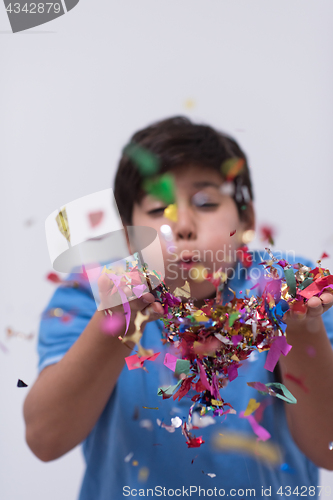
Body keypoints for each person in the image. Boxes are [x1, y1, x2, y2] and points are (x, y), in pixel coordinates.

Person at [24, 117, 333, 499]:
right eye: (157, 209)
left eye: (205, 202)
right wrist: (118, 322)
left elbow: (329, 449)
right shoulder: (86, 296)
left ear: (247, 220)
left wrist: (302, 330)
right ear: (128, 234)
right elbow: (44, 440)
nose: (182, 225)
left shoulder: (293, 291)